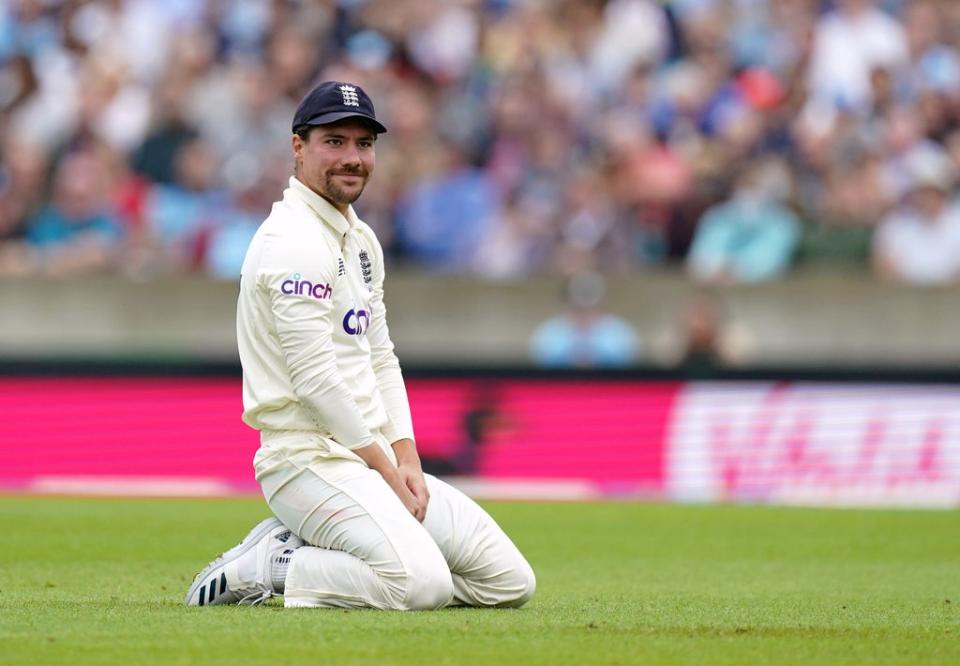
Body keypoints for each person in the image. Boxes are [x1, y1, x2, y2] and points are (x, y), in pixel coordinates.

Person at [185, 81, 536, 610]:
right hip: (305, 461)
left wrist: (407, 455)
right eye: (335, 142)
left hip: (372, 460)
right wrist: (385, 468)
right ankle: (275, 564)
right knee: (422, 585)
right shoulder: (294, 243)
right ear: (298, 146)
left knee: (508, 582)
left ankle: (343, 555)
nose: (353, 158)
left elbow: (380, 356)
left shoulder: (360, 238)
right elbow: (316, 382)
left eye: (364, 144)